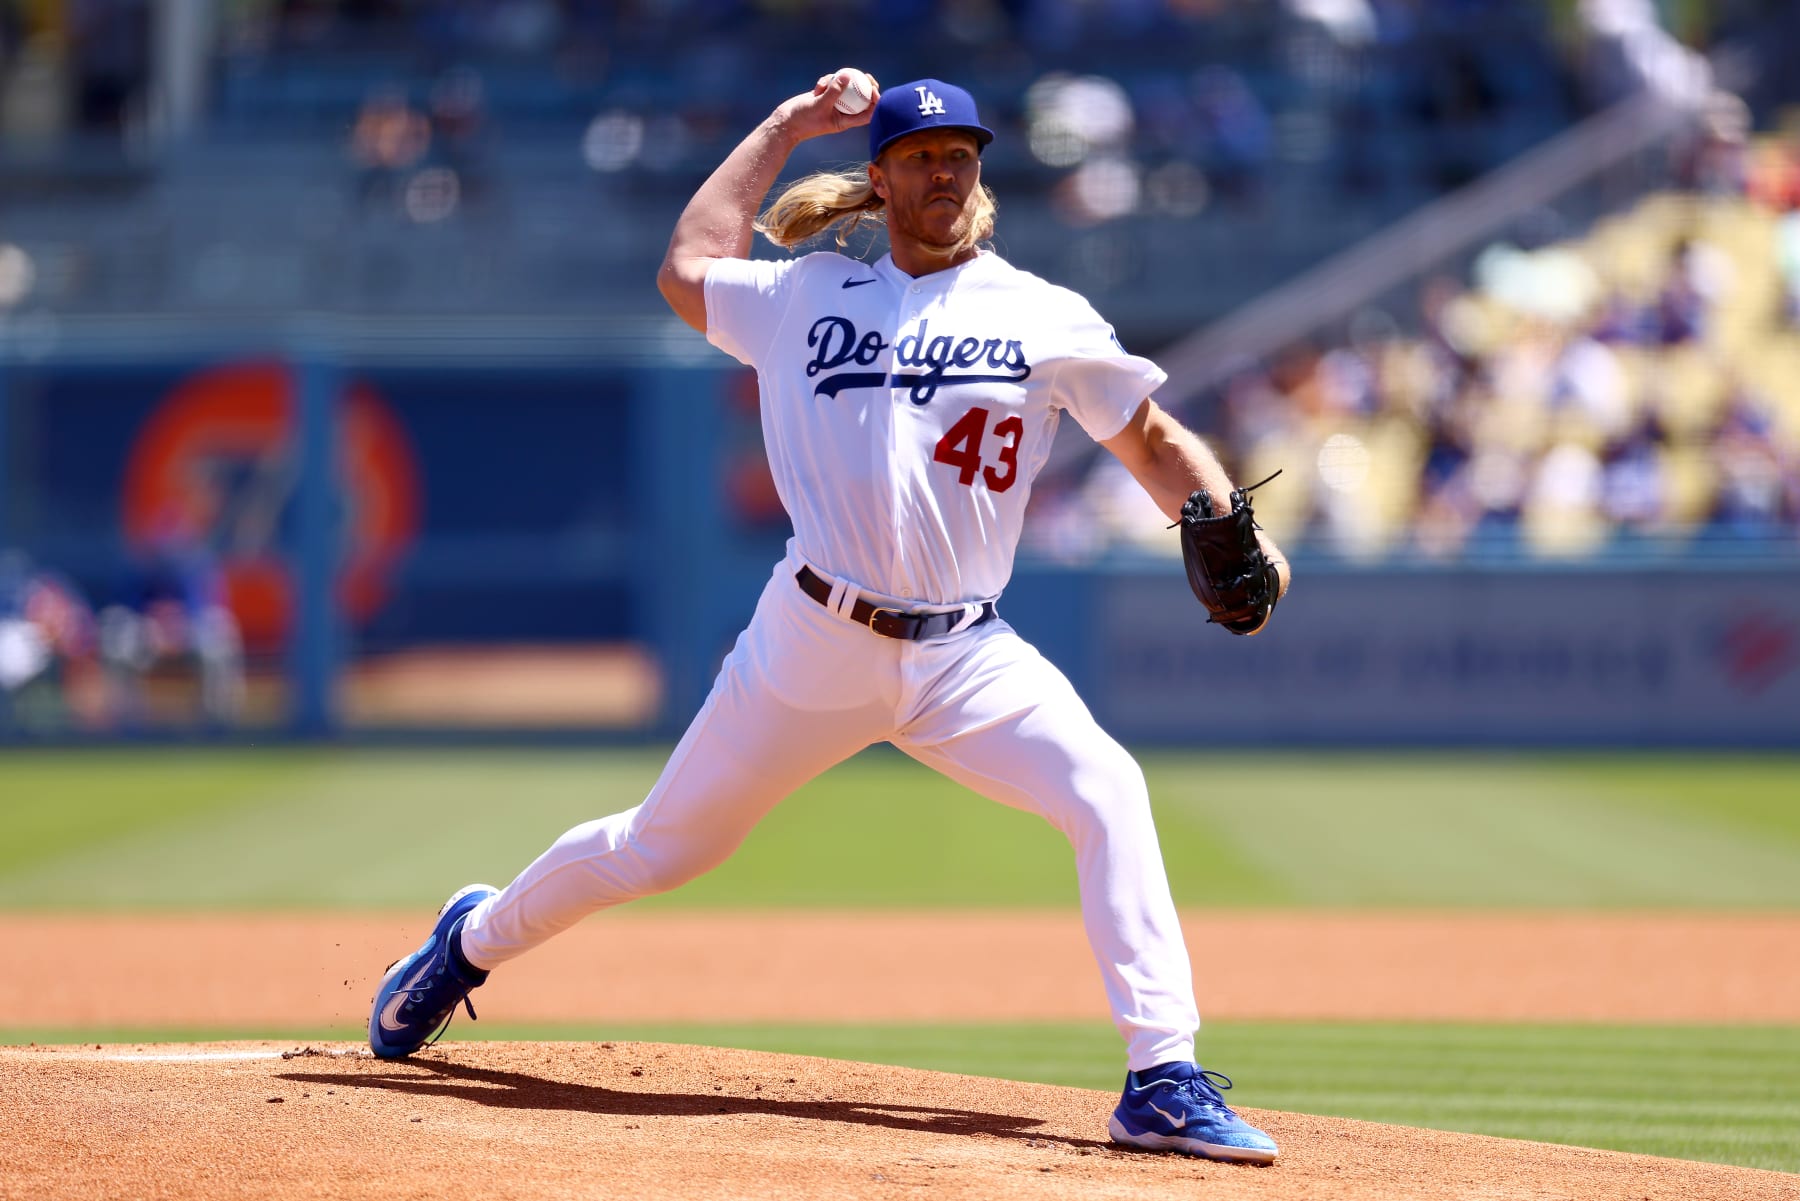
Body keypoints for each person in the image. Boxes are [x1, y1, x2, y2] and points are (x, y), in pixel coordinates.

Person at [369, 70, 1290, 1166]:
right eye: (920, 156)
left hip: (967, 653)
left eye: (961, 154)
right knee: (661, 846)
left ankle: (1161, 1077)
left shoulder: (1043, 315)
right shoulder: (802, 294)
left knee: (1107, 788)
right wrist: (788, 122)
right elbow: (685, 266)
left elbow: (1146, 436)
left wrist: (1227, 512)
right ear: (882, 177)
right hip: (812, 638)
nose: (945, 171)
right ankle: (469, 942)